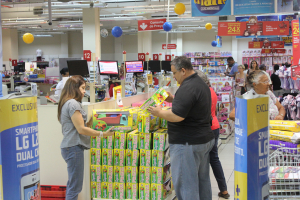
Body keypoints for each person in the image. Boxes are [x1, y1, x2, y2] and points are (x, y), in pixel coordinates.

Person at [147, 56, 215, 200]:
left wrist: (159, 112)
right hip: (202, 140)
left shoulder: (188, 87)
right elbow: (191, 106)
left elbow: (177, 116)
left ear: (183, 71)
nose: (174, 77)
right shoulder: (199, 83)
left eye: (175, 73)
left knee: (186, 185)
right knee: (202, 183)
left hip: (187, 144)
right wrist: (174, 99)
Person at [57, 75, 114, 200]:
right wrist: (103, 134)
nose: (84, 91)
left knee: (73, 184)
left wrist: (92, 121)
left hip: (69, 147)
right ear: (74, 88)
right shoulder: (73, 104)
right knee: (75, 187)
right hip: (73, 148)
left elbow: (80, 126)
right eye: (82, 88)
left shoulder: (68, 103)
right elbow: (81, 130)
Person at [195, 70, 230, 199]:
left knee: (203, 162)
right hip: (214, 125)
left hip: (206, 128)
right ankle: (224, 189)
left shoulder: (202, 92)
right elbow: (213, 110)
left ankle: (202, 192)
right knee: (214, 159)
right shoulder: (212, 91)